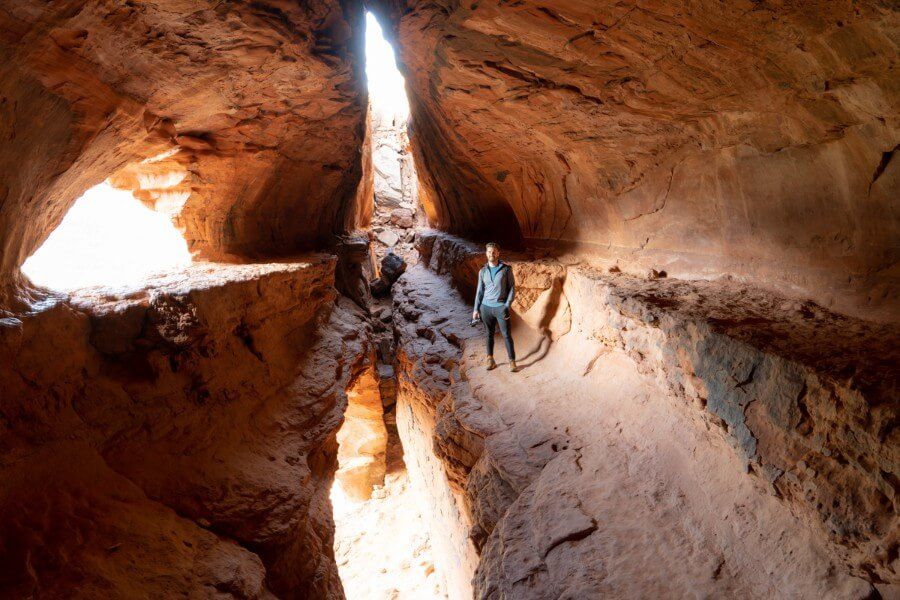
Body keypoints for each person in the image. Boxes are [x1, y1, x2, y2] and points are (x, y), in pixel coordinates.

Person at [472, 242, 517, 372]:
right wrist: (476, 309)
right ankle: (490, 359)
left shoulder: (506, 269)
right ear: (486, 254)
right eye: (489, 252)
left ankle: (512, 361)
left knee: (506, 335)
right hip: (485, 308)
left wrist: (506, 305)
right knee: (488, 334)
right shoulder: (483, 271)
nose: (491, 254)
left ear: (498, 253)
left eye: (493, 252)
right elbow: (479, 291)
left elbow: (512, 288)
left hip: (500, 308)